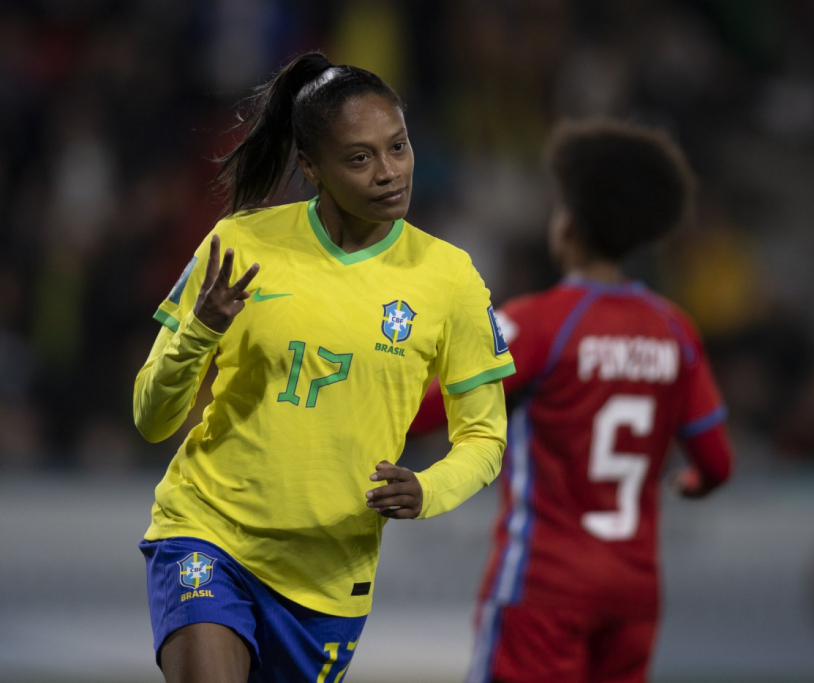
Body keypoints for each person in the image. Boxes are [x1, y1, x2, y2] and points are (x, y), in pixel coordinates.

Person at [133, 52, 515, 683]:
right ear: (310, 167)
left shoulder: (450, 278)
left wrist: (427, 490)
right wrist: (200, 332)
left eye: (398, 147)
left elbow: (485, 439)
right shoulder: (239, 245)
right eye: (360, 158)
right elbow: (151, 418)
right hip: (208, 532)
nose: (390, 172)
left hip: (328, 580)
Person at [409, 119, 735, 683]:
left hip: (544, 588)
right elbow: (717, 462)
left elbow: (427, 412)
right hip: (633, 595)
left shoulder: (540, 323)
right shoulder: (674, 330)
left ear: (569, 228)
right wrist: (691, 484)